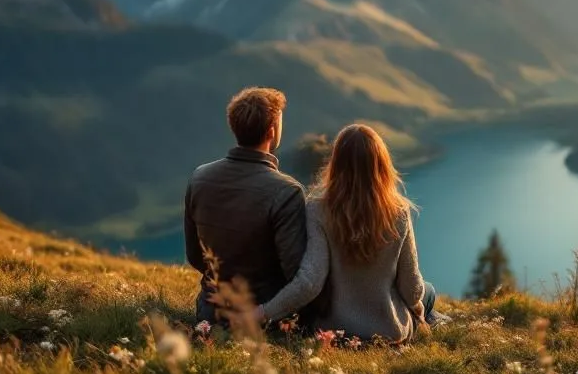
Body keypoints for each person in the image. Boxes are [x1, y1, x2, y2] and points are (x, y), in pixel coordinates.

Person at [256, 123, 438, 342]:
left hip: (334, 332)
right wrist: (418, 310)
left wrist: (263, 312)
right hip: (388, 332)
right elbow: (411, 288)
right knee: (428, 291)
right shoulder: (399, 212)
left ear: (336, 164)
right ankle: (435, 319)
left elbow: (309, 282)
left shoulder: (317, 209)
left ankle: (435, 318)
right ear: (381, 165)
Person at [184, 87, 307, 324]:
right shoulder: (287, 192)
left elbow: (194, 255)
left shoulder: (199, 177)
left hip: (210, 314)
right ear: (272, 131)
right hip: (265, 319)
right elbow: (296, 272)